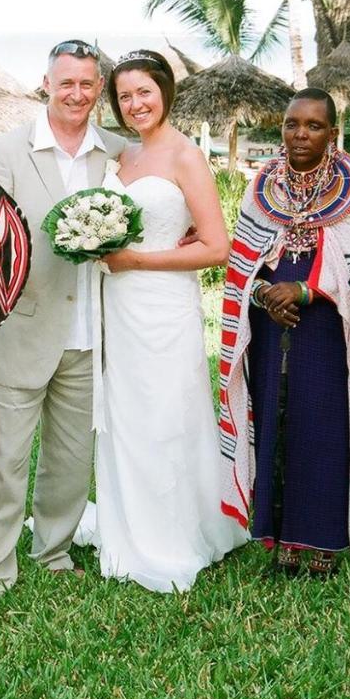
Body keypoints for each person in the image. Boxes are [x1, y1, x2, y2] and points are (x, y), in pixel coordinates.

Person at [0, 40, 127, 604]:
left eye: (87, 84)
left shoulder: (117, 152)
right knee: (6, 459)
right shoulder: (8, 150)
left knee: (70, 456)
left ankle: (53, 549)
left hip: (90, 328)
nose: (76, 94)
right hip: (21, 325)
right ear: (47, 85)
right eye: (66, 84)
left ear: (98, 88)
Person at [89, 49, 249, 592]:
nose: (135, 105)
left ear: (165, 92)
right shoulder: (120, 157)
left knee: (166, 412)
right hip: (116, 307)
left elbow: (216, 246)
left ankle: (174, 533)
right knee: (124, 412)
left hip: (163, 304)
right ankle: (125, 524)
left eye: (144, 93)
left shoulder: (184, 155)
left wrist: (137, 260)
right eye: (125, 96)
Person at [218, 89, 350, 579]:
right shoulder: (264, 184)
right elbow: (244, 259)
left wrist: (305, 292)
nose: (300, 134)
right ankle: (281, 538)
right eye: (292, 124)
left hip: (326, 326)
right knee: (276, 416)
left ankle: (324, 543)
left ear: (332, 134)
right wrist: (265, 294)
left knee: (322, 425)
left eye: (314, 126)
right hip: (272, 323)